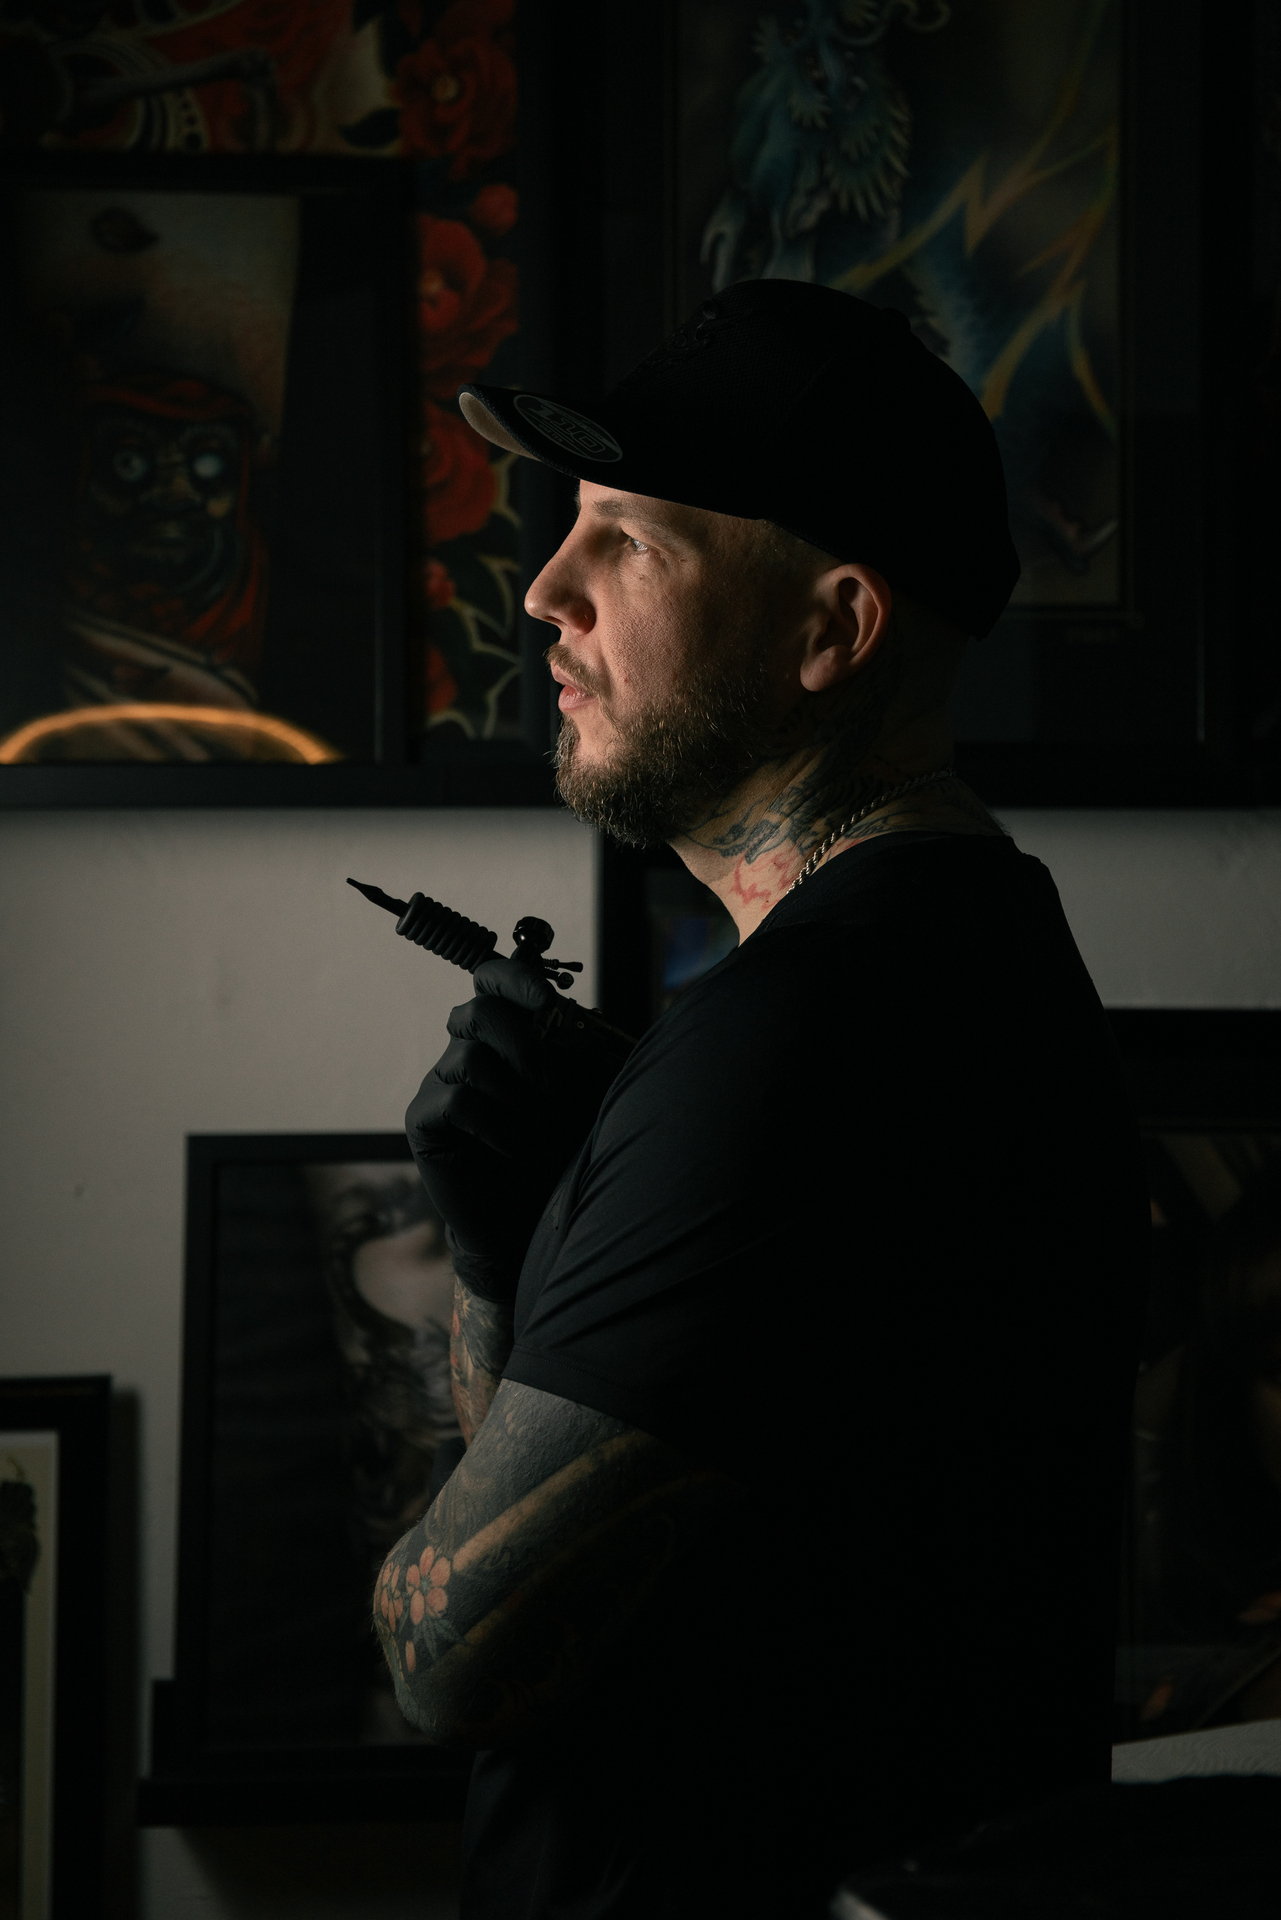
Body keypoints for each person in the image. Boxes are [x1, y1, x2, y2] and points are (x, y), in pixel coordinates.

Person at [371, 281, 1149, 1917]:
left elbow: (450, 1662)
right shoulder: (961, 957)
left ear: (831, 629)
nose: (544, 593)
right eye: (566, 528)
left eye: (627, 540)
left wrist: (518, 1238)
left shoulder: (801, 1041)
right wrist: (521, 1245)